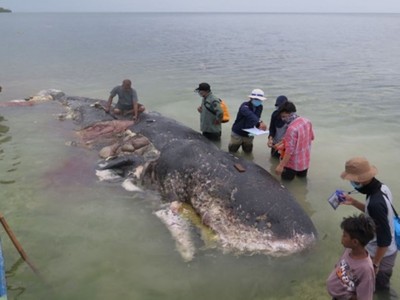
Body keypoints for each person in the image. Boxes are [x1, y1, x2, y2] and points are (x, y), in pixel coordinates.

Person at [340, 157, 397, 292]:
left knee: (379, 289)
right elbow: (376, 213)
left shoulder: (375, 204)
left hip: (382, 254)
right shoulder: (382, 188)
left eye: (352, 180)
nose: (351, 183)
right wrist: (354, 202)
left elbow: (385, 240)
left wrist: (375, 264)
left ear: (360, 180)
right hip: (387, 248)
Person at [326, 214, 376, 300]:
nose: (342, 237)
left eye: (344, 235)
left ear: (355, 242)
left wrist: (347, 296)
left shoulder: (365, 269)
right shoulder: (349, 250)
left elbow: (365, 297)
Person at [275, 101, 314, 180]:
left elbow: (289, 151)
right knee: (302, 182)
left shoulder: (291, 129)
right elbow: (311, 137)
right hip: (304, 160)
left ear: (291, 113)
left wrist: (281, 166)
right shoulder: (306, 121)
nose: (283, 119)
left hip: (292, 164)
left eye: (284, 116)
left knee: (286, 184)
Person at [228, 89, 268, 153]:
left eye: (259, 100)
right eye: (256, 99)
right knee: (232, 152)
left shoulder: (260, 107)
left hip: (249, 134)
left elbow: (256, 118)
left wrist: (259, 126)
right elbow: (249, 115)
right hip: (238, 133)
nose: (258, 101)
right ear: (251, 98)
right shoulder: (244, 106)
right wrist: (260, 122)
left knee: (248, 152)